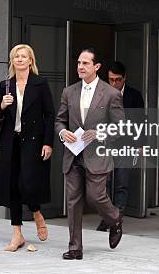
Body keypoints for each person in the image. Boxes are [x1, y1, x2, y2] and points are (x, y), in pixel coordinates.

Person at [55, 48, 126, 260]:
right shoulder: (69, 92)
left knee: (96, 197)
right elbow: (59, 120)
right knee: (73, 202)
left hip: (97, 155)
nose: (80, 67)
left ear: (96, 67)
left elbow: (120, 127)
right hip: (73, 155)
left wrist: (99, 133)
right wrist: (62, 132)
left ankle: (115, 220)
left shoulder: (111, 94)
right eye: (78, 63)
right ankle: (75, 248)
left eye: (85, 63)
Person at [0, 44, 55, 252]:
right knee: (12, 187)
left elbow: (50, 115)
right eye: (16, 56)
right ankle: (17, 234)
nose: (19, 59)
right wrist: (2, 104)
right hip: (11, 142)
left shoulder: (40, 84)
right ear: (12, 61)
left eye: (23, 56)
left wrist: (48, 142)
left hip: (33, 142)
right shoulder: (6, 85)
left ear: (30, 61)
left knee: (27, 184)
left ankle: (36, 212)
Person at [96, 61, 145, 232]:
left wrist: (140, 144)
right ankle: (107, 218)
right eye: (111, 80)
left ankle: (117, 220)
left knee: (122, 184)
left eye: (118, 80)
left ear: (124, 78)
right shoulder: (102, 94)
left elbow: (141, 121)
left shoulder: (134, 96)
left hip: (127, 144)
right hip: (107, 144)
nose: (115, 83)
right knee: (104, 184)